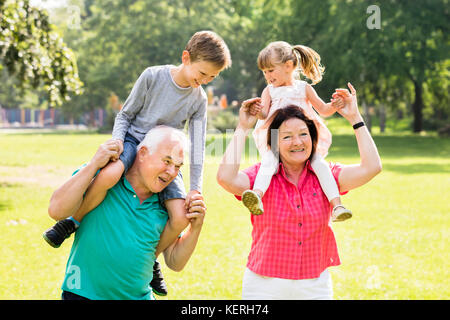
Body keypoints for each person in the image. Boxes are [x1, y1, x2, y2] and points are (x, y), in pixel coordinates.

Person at [43, 30, 231, 295]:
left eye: (212, 77)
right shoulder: (153, 77)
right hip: (134, 142)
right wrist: (117, 143)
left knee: (180, 216)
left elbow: (198, 146)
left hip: (167, 154)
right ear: (186, 58)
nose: (204, 82)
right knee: (108, 177)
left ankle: (151, 260)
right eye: (202, 74)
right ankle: (72, 222)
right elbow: (125, 115)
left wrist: (195, 187)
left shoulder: (198, 99)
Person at [217, 83, 382, 299]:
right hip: (263, 286)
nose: (297, 142)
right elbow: (225, 178)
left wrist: (355, 118)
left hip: (314, 287)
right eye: (286, 137)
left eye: (303, 134)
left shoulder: (326, 177)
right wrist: (243, 127)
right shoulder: (262, 177)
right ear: (274, 143)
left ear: (313, 139)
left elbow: (372, 167)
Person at [48, 126, 207, 300]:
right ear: (143, 153)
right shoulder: (104, 177)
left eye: (177, 166)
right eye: (167, 161)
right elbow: (56, 210)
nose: (171, 173)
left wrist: (196, 227)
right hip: (82, 294)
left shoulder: (168, 204)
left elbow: (175, 262)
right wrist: (94, 164)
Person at [240, 41, 351, 222]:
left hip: (303, 137)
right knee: (269, 162)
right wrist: (256, 110)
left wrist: (335, 105)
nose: (267, 75)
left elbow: (323, 109)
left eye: (270, 70)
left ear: (288, 66)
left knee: (319, 164)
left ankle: (337, 205)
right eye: (264, 72)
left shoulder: (303, 88)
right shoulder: (269, 90)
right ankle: (257, 196)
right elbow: (265, 114)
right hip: (276, 137)